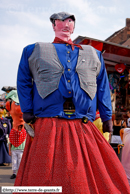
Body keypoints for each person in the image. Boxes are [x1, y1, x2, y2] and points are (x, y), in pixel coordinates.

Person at [14, 12, 130, 193]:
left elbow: (102, 86)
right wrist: (27, 109)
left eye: (70, 21)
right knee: (44, 173)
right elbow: (23, 81)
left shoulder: (94, 54)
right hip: (47, 123)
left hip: (83, 125)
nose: (66, 25)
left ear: (74, 26)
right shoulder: (33, 50)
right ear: (53, 25)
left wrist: (107, 116)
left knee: (95, 173)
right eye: (60, 22)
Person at [5, 90, 26, 179]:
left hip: (22, 148)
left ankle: (21, 173)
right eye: (17, 103)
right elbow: (10, 141)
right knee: (14, 160)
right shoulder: (12, 132)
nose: (21, 109)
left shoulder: (27, 131)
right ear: (8, 107)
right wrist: (9, 149)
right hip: (14, 148)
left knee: (21, 160)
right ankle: (14, 173)